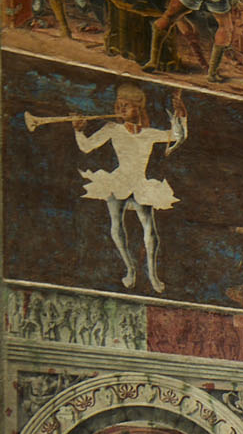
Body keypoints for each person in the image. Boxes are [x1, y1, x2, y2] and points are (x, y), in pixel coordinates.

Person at [44, 83, 187, 293]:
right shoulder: (112, 129)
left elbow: (177, 136)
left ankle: (153, 275)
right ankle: (130, 269)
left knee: (150, 229)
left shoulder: (149, 134)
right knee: (116, 224)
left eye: (126, 105)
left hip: (140, 183)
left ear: (138, 107)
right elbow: (86, 147)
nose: (121, 109)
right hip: (118, 181)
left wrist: (181, 114)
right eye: (119, 105)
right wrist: (78, 131)